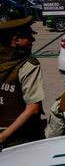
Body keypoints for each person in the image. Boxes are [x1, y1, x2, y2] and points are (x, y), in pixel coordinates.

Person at [0, 16, 46, 148]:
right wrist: (2, 137)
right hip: (22, 138)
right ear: (16, 41)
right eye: (28, 37)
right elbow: (33, 108)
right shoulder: (28, 65)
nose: (33, 40)